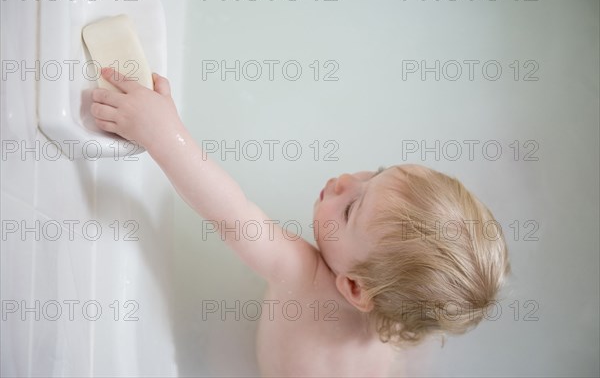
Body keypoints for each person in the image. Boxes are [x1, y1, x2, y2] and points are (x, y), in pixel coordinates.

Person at [91, 67, 510, 377]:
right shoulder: (400, 319)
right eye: (376, 173)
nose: (346, 180)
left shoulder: (304, 275)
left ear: (354, 288)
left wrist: (162, 132)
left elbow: (230, 213)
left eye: (350, 209)